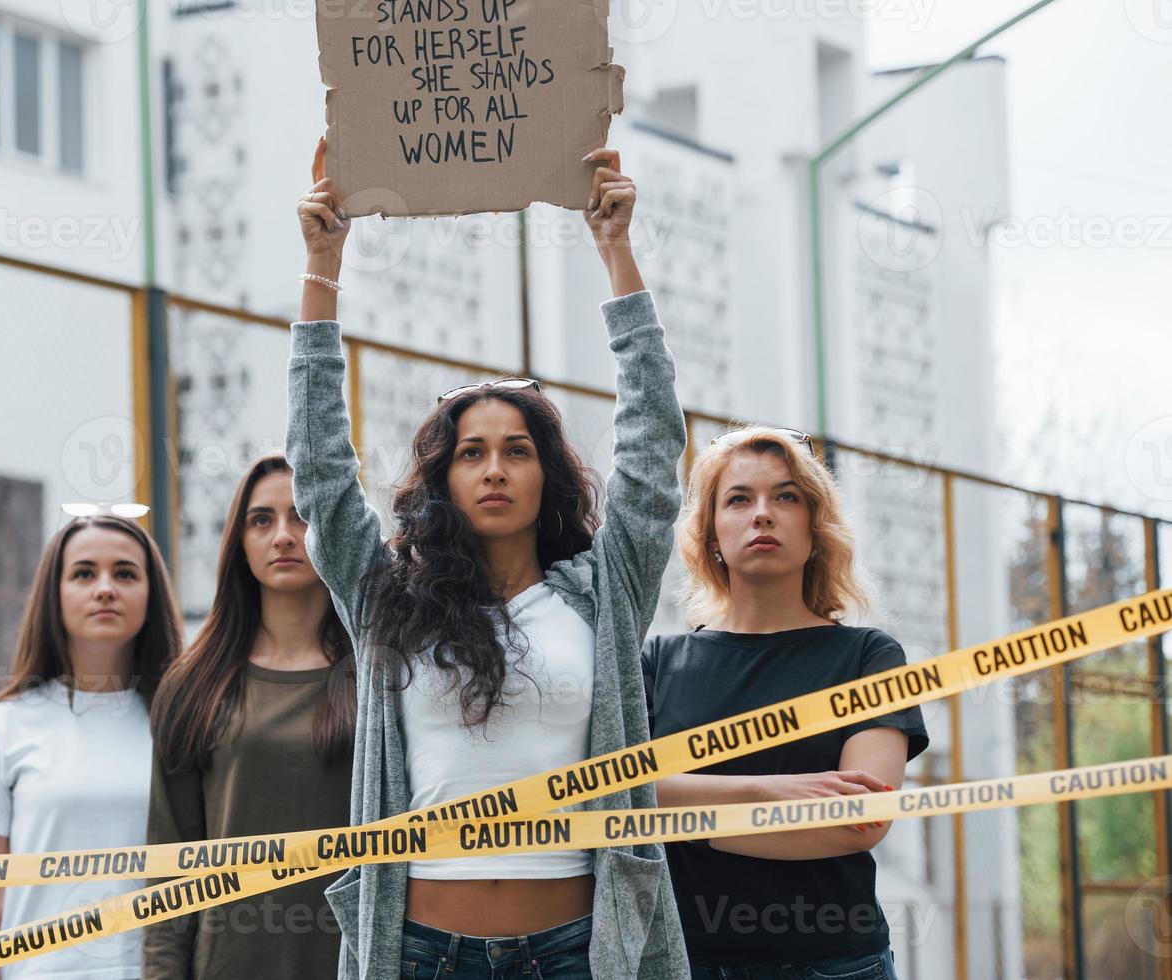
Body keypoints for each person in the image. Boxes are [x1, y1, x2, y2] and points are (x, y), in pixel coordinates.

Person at [287, 138, 689, 980]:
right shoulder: (385, 595)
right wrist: (323, 268)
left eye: (516, 449)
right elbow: (321, 471)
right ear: (443, 475)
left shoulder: (602, 593)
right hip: (424, 952)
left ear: (547, 471)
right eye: (470, 452)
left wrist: (615, 251)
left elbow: (652, 446)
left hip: (577, 952)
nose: (495, 468)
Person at [642, 426, 930, 980]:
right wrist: (764, 792)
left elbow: (860, 819)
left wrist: (686, 814)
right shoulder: (660, 660)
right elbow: (623, 791)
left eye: (786, 496)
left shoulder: (868, 655)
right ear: (710, 535)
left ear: (815, 528)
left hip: (835, 963)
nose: (763, 514)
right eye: (739, 499)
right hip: (684, 962)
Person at [0, 508, 184, 979]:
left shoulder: (186, 726)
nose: (105, 587)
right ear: (55, 593)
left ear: (151, 595)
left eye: (125, 573)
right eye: (84, 573)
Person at [142, 454, 356, 978]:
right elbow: (169, 868)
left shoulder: (380, 674)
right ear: (239, 542)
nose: (282, 535)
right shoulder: (193, 684)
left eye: (300, 515)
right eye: (261, 520)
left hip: (357, 964)